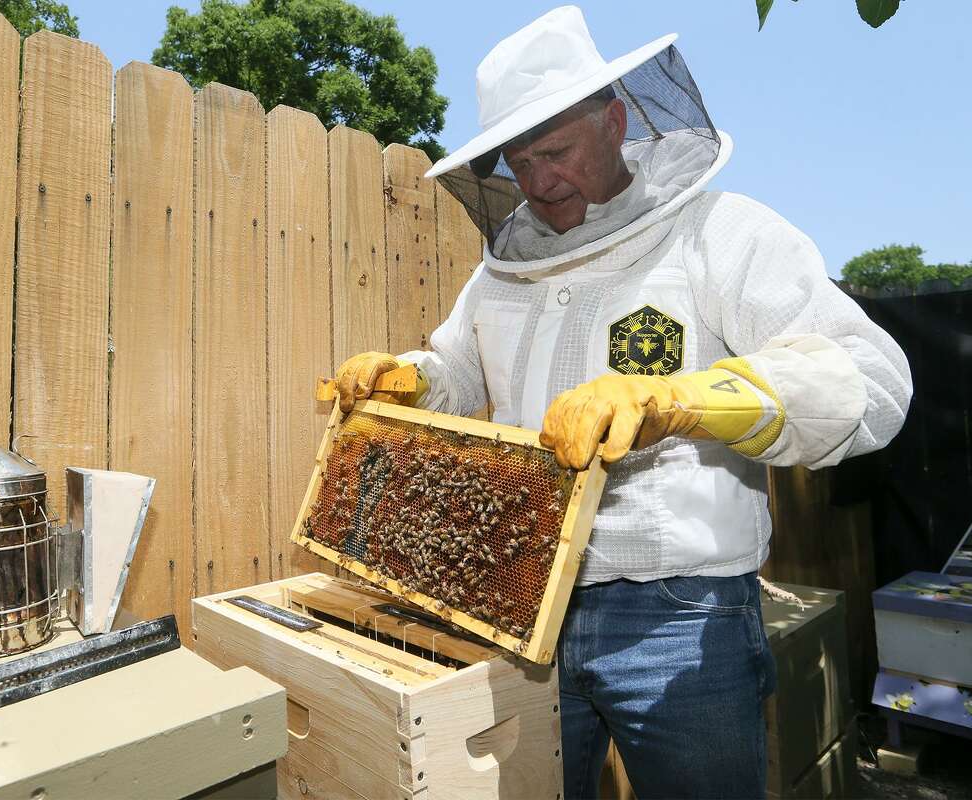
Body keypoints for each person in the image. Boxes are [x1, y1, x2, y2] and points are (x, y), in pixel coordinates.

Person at [329, 6, 912, 798]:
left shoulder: (721, 233)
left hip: (681, 615)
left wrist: (681, 400)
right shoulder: (500, 274)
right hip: (519, 604)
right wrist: (409, 377)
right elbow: (461, 371)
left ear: (615, 120)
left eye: (556, 151)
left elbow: (869, 376)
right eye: (518, 160)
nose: (536, 182)